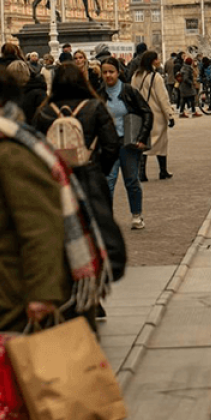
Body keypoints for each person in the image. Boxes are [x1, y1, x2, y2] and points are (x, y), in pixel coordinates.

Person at [0, 65, 110, 420]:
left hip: (20, 318)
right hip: (9, 318)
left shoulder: (11, 154)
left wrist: (40, 298)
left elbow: (40, 230)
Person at [33, 62, 124, 291]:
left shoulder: (44, 111)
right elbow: (112, 144)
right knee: (96, 232)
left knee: (63, 234)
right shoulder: (94, 106)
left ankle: (71, 285)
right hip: (89, 174)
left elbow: (35, 147)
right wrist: (98, 168)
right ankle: (97, 288)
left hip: (57, 181)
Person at [99, 56, 152, 230]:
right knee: (108, 181)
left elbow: (147, 112)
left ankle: (136, 215)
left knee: (131, 180)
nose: (108, 76)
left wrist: (142, 138)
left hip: (128, 143)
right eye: (105, 72)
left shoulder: (129, 91)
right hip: (108, 144)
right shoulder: (99, 93)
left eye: (111, 72)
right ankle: (107, 219)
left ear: (118, 72)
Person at [131, 50, 176, 180]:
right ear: (152, 61)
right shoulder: (156, 77)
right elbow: (163, 99)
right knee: (161, 144)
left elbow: (133, 95)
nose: (159, 60)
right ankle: (163, 171)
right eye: (157, 59)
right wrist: (170, 115)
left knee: (143, 142)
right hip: (156, 115)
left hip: (141, 114)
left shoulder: (135, 76)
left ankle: (141, 173)